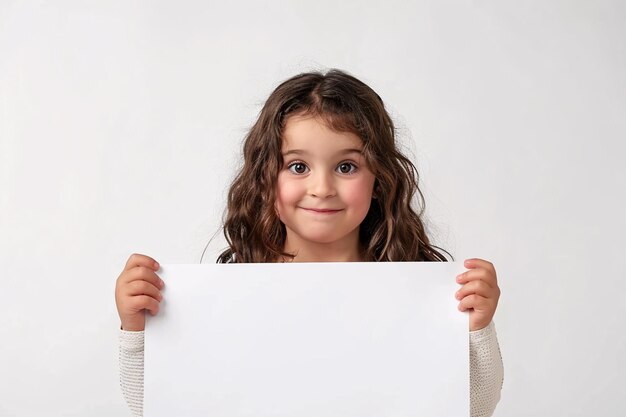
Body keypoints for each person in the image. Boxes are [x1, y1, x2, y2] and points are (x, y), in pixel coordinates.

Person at [115, 69, 504, 417]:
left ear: (379, 179)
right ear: (265, 177)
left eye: (346, 167)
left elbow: (472, 409)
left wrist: (477, 330)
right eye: (297, 166)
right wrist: (135, 330)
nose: (321, 188)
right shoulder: (226, 295)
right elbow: (163, 406)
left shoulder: (423, 294)